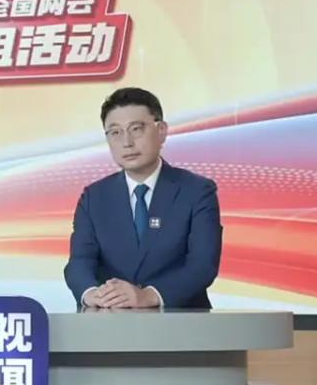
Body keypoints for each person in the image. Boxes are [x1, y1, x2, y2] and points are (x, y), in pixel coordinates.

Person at [64, 87, 222, 308]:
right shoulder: (94, 197)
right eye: (115, 132)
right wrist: (91, 294)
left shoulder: (197, 191)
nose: (126, 142)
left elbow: (202, 265)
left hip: (182, 320)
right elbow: (79, 262)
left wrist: (148, 296)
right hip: (111, 320)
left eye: (136, 129)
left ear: (161, 131)